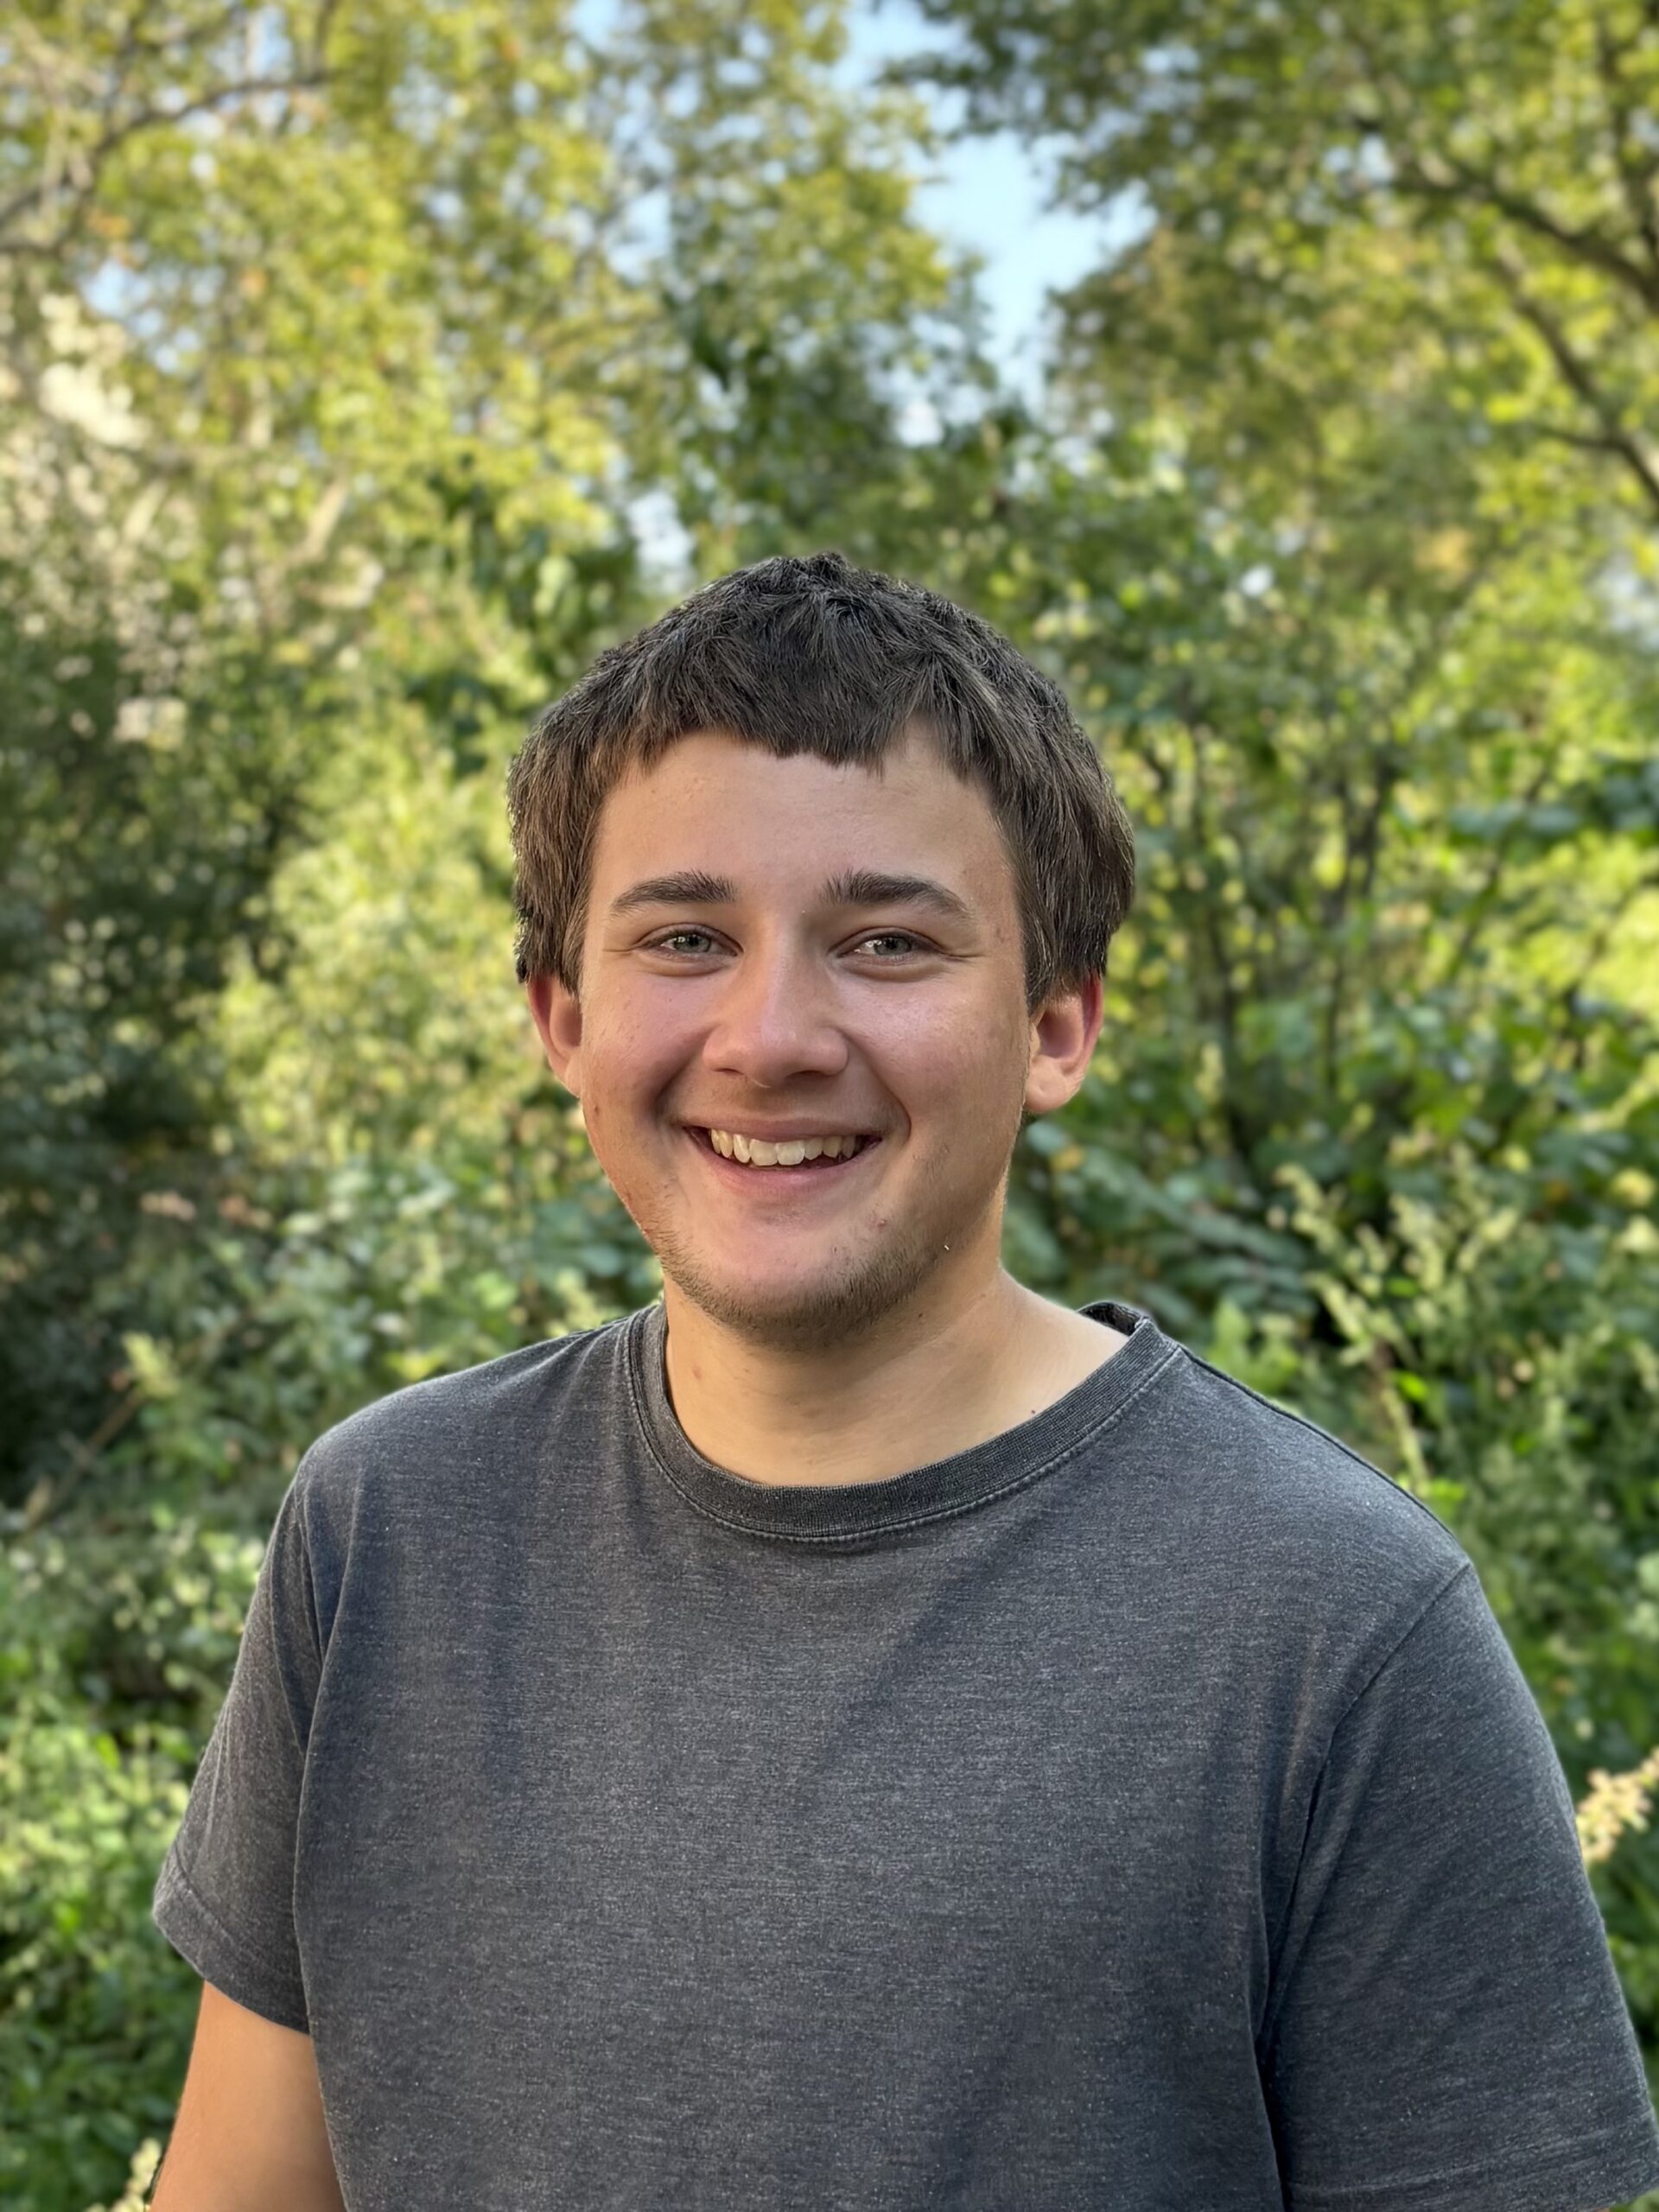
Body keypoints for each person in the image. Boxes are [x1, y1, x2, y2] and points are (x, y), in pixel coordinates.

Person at [149, 551, 1658, 2212]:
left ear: (1058, 1025)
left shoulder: (1338, 1624)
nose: (773, 1035)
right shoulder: (385, 1534)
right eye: (686, 936)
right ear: (562, 1018)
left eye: (885, 941)